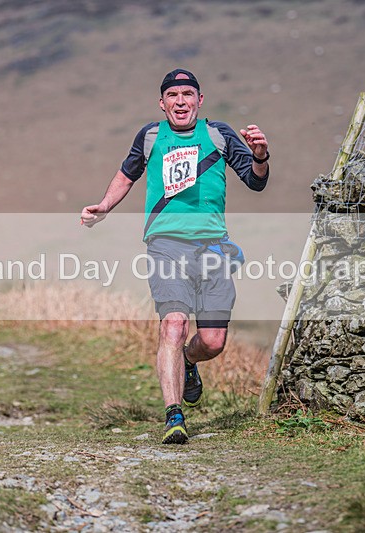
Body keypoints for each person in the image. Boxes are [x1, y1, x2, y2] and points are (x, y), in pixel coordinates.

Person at [80, 68, 270, 444]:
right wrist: (104, 205)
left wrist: (262, 156)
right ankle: (174, 415)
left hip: (213, 247)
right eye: (172, 95)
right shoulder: (151, 136)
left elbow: (256, 180)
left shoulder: (218, 134)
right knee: (173, 325)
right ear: (162, 103)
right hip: (166, 244)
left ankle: (188, 361)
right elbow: (126, 174)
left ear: (200, 100)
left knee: (213, 342)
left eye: (188, 94)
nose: (180, 101)